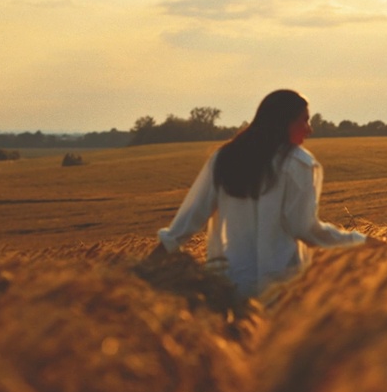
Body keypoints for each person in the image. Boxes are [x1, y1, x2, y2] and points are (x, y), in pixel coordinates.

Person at [147, 89, 370, 299]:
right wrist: (359, 241)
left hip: (228, 286)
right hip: (281, 288)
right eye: (304, 120)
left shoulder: (225, 157)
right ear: (284, 122)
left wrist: (147, 265)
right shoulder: (299, 164)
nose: (309, 129)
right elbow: (305, 229)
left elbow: (191, 216)